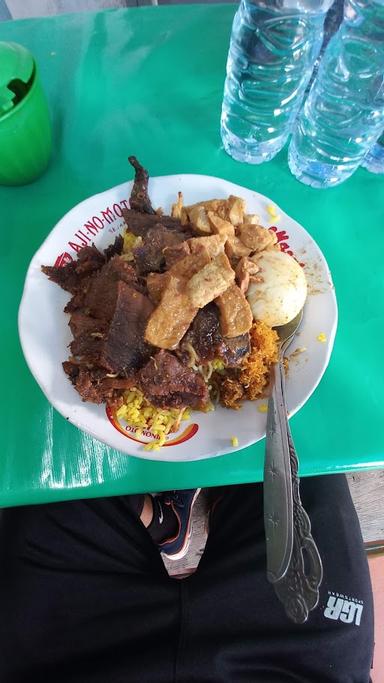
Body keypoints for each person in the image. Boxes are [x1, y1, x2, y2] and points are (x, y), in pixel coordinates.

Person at [0, 475, 374, 682]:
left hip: (64, 660)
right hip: (298, 665)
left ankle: (162, 521)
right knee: (293, 439)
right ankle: (183, 510)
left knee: (60, 452)